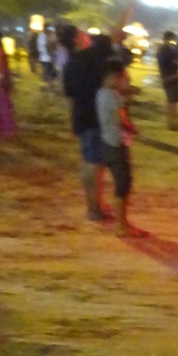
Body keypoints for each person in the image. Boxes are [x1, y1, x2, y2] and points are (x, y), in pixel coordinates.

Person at [63, 33, 114, 221]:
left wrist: (72, 120)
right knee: (95, 164)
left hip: (81, 116)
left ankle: (94, 203)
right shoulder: (98, 60)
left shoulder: (72, 62)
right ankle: (93, 208)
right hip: (96, 117)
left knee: (88, 162)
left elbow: (69, 96)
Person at [97, 58, 146, 238]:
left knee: (121, 182)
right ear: (113, 77)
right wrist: (133, 129)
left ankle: (122, 223)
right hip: (115, 144)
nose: (124, 81)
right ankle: (121, 225)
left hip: (106, 142)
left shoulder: (102, 93)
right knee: (123, 183)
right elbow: (120, 120)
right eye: (122, 78)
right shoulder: (112, 96)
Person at [156, 31, 178, 132]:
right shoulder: (167, 50)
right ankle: (174, 124)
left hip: (166, 77)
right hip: (171, 77)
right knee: (173, 101)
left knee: (170, 101)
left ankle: (171, 123)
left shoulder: (161, 50)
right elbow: (176, 62)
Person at [0, 30, 16, 136]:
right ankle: (1, 126)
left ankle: (6, 127)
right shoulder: (0, 51)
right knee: (0, 103)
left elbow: (2, 68)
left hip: (0, 79)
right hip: (0, 78)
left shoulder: (0, 52)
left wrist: (2, 78)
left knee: (2, 104)